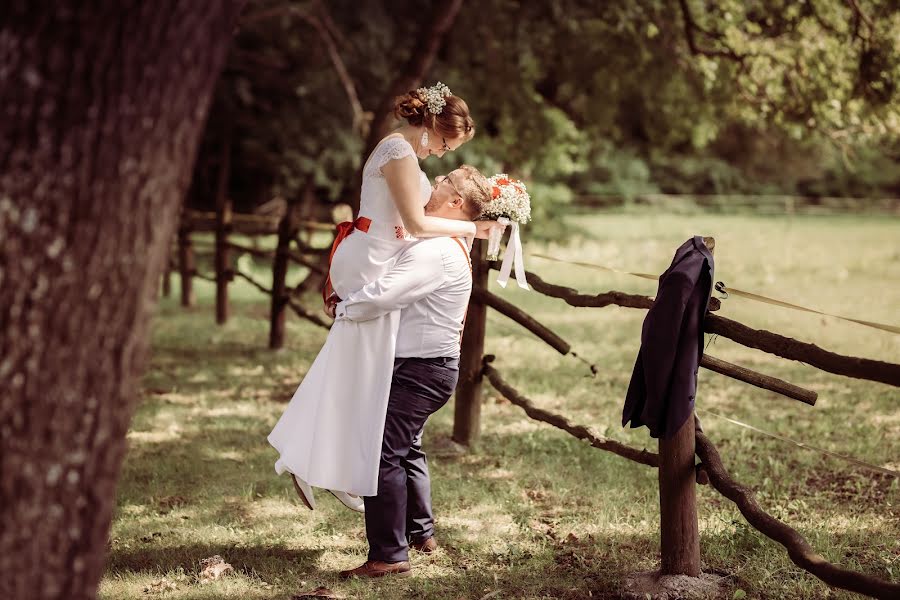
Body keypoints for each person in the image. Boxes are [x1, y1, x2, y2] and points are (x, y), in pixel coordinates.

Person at [267, 83, 502, 512]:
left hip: (379, 259)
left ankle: (327, 463)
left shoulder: (408, 156)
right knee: (359, 369)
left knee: (357, 368)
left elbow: (429, 214)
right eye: (447, 144)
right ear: (432, 126)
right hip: (370, 260)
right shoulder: (396, 152)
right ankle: (318, 461)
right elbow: (414, 223)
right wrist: (472, 229)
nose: (443, 154)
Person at [331, 166, 492, 578]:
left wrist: (342, 306)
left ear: (456, 202)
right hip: (428, 367)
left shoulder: (436, 251)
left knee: (382, 453)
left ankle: (388, 555)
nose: (433, 182)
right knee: (408, 447)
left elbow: (385, 295)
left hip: (421, 371)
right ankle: (421, 534)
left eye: (442, 182)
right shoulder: (445, 241)